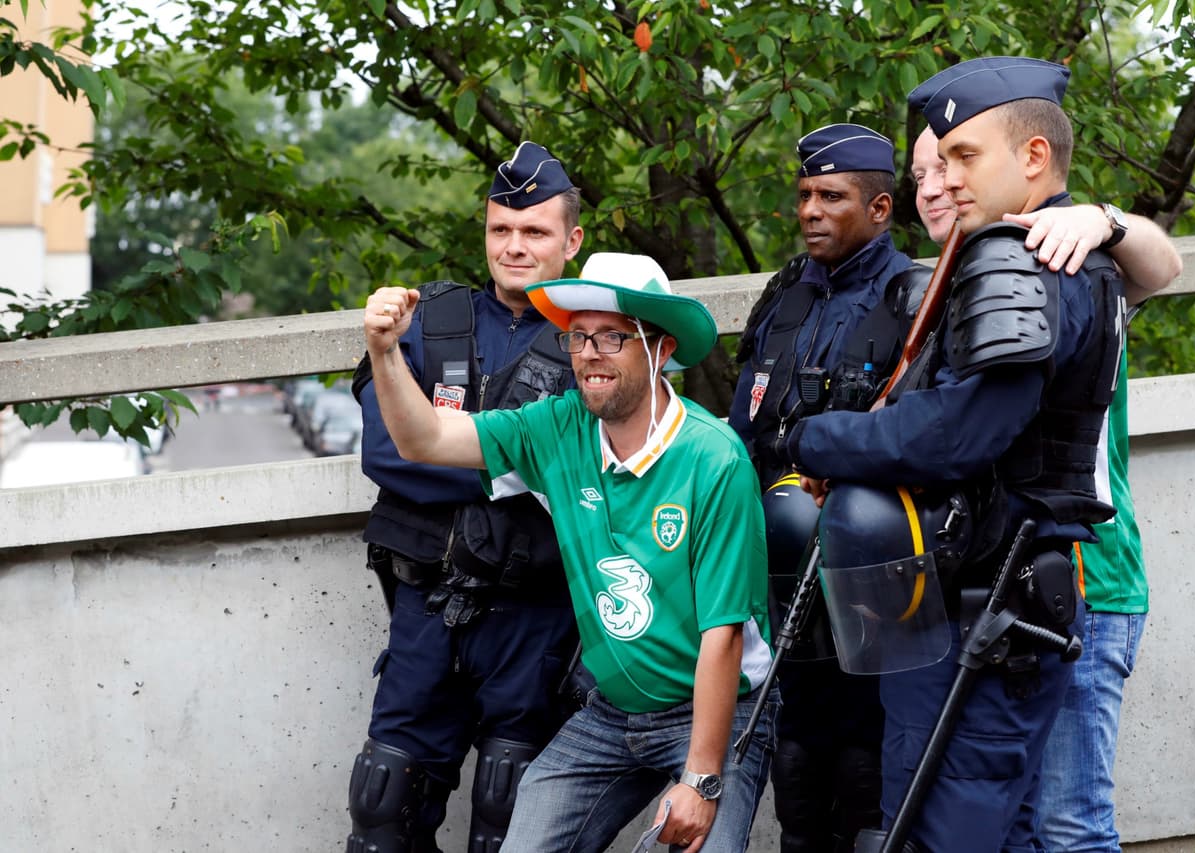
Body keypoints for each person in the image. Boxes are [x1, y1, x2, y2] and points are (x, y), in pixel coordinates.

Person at [777, 56, 1127, 850]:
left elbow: (956, 434)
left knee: (942, 834)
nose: (947, 176)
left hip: (990, 616)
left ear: (1033, 158)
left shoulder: (1025, 262)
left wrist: (816, 437)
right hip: (966, 608)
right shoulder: (1027, 253)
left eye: (965, 155)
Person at [363, 251, 778, 852]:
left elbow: (724, 635)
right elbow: (422, 438)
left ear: (660, 351)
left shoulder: (714, 458)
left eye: (613, 337)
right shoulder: (558, 428)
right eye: (578, 337)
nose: (588, 354)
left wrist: (701, 778)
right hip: (612, 711)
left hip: (719, 709)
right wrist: (384, 350)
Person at [912, 125, 1182, 853]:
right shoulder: (948, 284)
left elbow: (1165, 265)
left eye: (954, 162)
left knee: (1069, 823)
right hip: (992, 589)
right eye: (921, 174)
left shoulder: (1059, 256)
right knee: (1014, 824)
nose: (935, 184)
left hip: (1083, 581)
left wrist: (1105, 219)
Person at [345, 141, 584, 853]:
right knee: (383, 809)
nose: (514, 246)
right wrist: (516, 462)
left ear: (571, 240)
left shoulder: (596, 337)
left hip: (536, 620)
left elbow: (591, 465)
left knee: (511, 822)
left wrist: (449, 441)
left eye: (535, 231)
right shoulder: (424, 322)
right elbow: (386, 451)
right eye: (500, 230)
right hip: (427, 612)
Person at [727, 123, 920, 852]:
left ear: (879, 208)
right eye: (805, 193)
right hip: (777, 575)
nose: (810, 209)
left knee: (865, 777)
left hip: (869, 574)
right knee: (796, 761)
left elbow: (920, 434)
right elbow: (746, 418)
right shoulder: (786, 294)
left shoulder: (914, 298)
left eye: (831, 196)